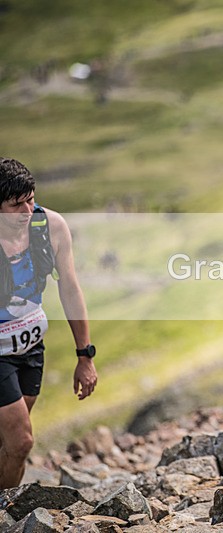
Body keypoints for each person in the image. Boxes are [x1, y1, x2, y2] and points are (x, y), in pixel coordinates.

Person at [0, 157, 98, 488]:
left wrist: (85, 355)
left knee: (7, 444)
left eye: (31, 199)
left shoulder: (50, 227)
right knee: (22, 441)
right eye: (16, 205)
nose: (28, 211)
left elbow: (69, 287)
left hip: (30, 350)